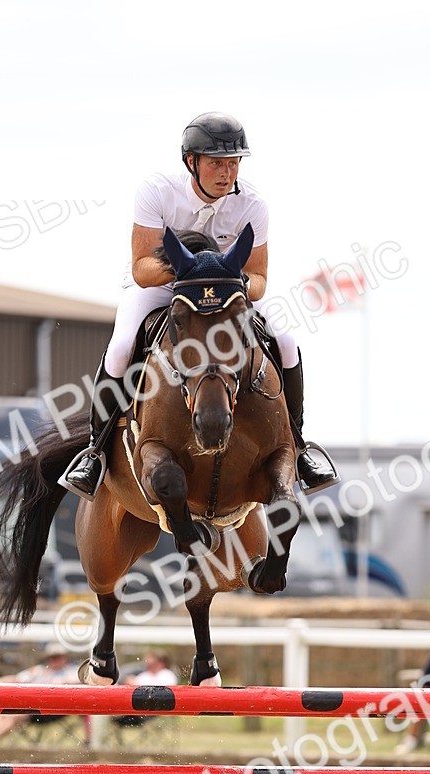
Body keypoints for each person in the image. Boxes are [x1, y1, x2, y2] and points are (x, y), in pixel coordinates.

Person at [62, 111, 338, 500]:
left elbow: (258, 280)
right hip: (166, 287)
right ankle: (95, 452)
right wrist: (192, 271)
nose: (227, 173)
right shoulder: (157, 192)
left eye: (233, 163)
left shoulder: (253, 205)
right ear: (191, 162)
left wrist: (229, 281)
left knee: (287, 341)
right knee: (123, 346)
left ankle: (300, 444)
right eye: (216, 164)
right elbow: (142, 269)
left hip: (227, 293)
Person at [0, 643, 75, 741]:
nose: (55, 660)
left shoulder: (70, 672)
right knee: (5, 711)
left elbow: (77, 684)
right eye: (52, 657)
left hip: (54, 709)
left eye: (58, 657)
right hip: (30, 705)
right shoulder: (39, 670)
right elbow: (18, 678)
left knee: (15, 715)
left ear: (65, 658)